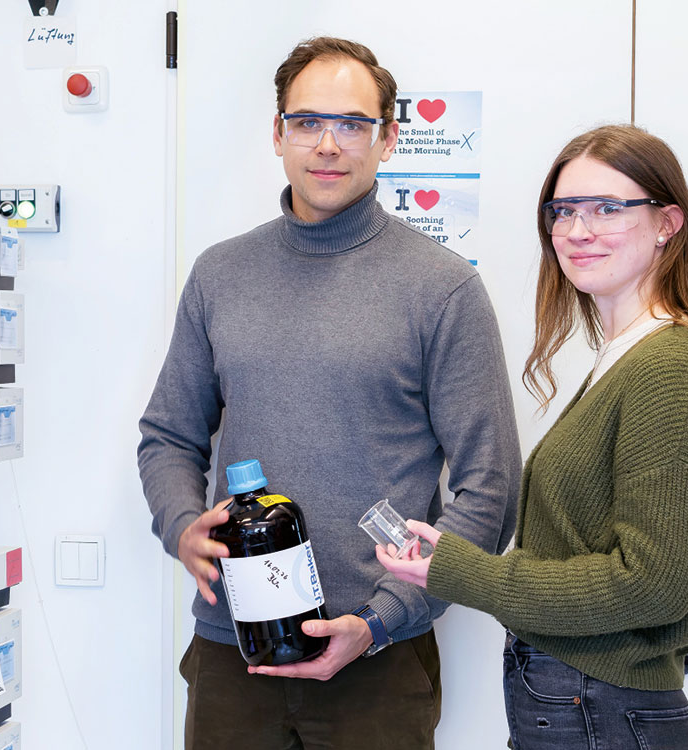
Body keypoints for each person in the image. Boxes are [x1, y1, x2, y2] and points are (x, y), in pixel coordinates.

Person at [137, 36, 521, 749]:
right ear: (277, 133)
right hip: (233, 654)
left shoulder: (443, 289)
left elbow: (491, 487)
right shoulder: (220, 275)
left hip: (379, 664)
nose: (328, 144)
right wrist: (181, 524)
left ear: (388, 139)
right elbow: (168, 435)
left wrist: (384, 618)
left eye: (352, 124)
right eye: (308, 121)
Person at [378, 124, 688, 750]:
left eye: (608, 208)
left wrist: (468, 573)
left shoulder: (672, 367)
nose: (578, 230)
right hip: (584, 702)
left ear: (667, 223)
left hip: (603, 706)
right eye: (564, 211)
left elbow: (654, 584)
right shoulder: (627, 354)